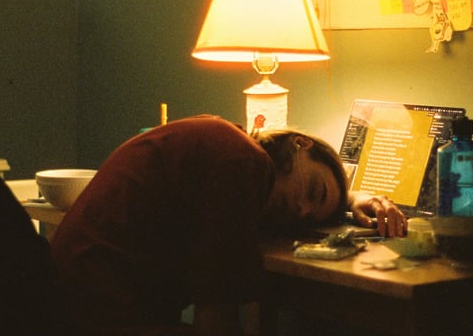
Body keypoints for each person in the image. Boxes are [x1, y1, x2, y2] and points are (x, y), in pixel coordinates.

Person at [49, 115, 405, 335]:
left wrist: (353, 199)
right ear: (300, 143)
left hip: (65, 302)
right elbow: (215, 316)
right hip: (97, 317)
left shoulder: (226, 144)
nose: (300, 207)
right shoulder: (240, 163)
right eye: (313, 189)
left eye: (309, 214)